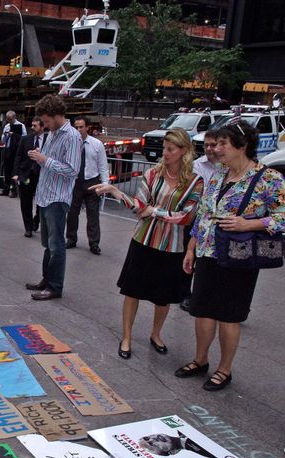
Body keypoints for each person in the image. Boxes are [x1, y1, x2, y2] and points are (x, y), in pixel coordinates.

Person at [178, 121, 285, 391]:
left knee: (229, 316)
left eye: (223, 144)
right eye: (216, 143)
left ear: (242, 147)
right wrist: (191, 248)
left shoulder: (268, 178)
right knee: (202, 310)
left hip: (239, 257)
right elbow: (205, 213)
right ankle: (200, 360)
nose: (217, 149)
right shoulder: (219, 174)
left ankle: (224, 369)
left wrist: (249, 224)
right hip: (209, 251)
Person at [90, 128, 203, 359]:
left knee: (163, 296)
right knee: (132, 291)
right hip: (143, 240)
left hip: (172, 246)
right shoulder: (152, 174)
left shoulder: (195, 181)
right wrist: (114, 191)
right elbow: (138, 207)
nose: (165, 153)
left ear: (183, 151)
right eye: (164, 148)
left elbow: (188, 216)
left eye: (170, 149)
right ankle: (127, 337)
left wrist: (154, 211)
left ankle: (156, 334)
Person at [26, 95, 82, 300]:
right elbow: (48, 161)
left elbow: (72, 170)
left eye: (46, 120)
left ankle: (55, 286)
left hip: (58, 197)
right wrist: (40, 156)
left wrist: (45, 160)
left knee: (57, 245)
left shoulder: (72, 136)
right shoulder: (52, 133)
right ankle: (46, 279)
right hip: (45, 194)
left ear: (56, 115)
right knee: (48, 244)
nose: (44, 124)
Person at [180, 129, 222, 312]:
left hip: (218, 222)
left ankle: (208, 294)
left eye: (213, 145)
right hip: (197, 217)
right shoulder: (197, 166)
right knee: (190, 256)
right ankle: (186, 294)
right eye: (206, 145)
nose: (209, 149)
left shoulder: (228, 167)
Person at [66, 116, 109, 255]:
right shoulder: (71, 144)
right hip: (76, 182)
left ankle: (94, 243)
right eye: (76, 127)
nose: (78, 130)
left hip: (92, 182)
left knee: (93, 215)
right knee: (72, 213)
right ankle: (71, 239)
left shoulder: (97, 144)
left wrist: (105, 185)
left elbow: (103, 166)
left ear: (87, 127)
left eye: (81, 127)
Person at [12, 116, 45, 237]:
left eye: (35, 125)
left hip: (42, 175)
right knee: (25, 201)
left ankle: (37, 219)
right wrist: (16, 173)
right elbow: (18, 157)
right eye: (32, 125)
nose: (32, 127)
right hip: (26, 174)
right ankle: (28, 227)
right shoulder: (25, 139)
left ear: (42, 127)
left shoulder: (48, 140)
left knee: (42, 201)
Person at [0, 110, 26, 197]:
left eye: (10, 119)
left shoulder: (21, 126)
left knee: (14, 170)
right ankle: (5, 189)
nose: (8, 121)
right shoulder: (7, 126)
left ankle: (14, 191)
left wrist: (14, 134)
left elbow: (24, 138)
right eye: (7, 119)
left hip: (16, 150)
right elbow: (3, 140)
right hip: (8, 149)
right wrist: (6, 135)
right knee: (7, 170)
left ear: (14, 117)